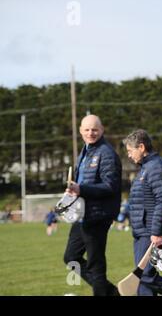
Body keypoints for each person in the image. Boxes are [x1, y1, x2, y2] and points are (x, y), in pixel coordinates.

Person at [63, 114, 121, 296]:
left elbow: (110, 187)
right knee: (71, 257)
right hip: (82, 215)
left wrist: (81, 189)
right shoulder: (85, 151)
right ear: (80, 131)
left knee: (96, 264)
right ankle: (112, 293)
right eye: (87, 129)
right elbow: (81, 182)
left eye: (95, 129)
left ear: (102, 130)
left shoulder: (106, 153)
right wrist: (72, 191)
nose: (91, 133)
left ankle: (104, 292)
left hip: (98, 215)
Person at [123, 129, 162, 296]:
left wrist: (156, 232)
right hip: (141, 231)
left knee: (145, 276)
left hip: (150, 232)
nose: (129, 155)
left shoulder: (156, 167)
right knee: (142, 282)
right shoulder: (146, 168)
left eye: (130, 151)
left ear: (141, 147)